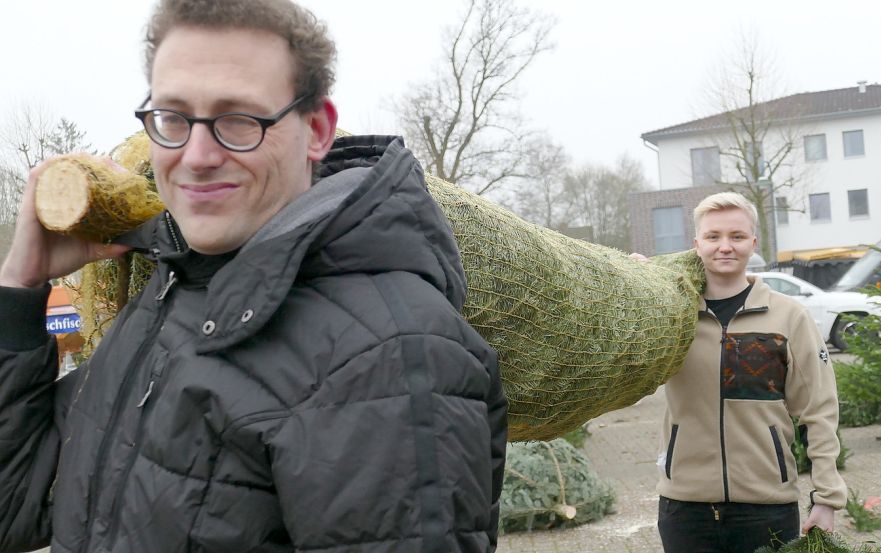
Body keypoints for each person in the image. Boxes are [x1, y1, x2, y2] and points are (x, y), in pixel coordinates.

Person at [0, 0, 507, 551]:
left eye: (238, 119)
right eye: (172, 117)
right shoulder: (174, 293)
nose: (195, 156)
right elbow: (16, 508)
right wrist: (18, 289)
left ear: (316, 130)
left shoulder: (387, 355)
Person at [649, 192, 847, 553]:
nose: (725, 246)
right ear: (697, 244)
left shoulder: (789, 317)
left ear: (753, 243)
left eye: (737, 236)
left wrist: (827, 497)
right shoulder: (671, 317)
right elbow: (626, 367)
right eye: (713, 237)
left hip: (766, 508)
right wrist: (636, 285)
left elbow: (818, 411)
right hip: (684, 508)